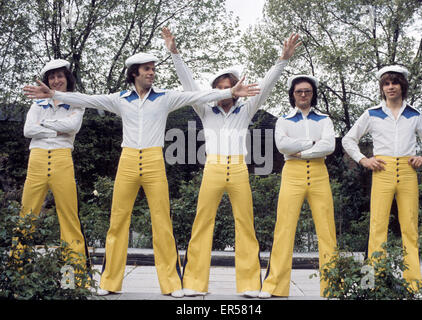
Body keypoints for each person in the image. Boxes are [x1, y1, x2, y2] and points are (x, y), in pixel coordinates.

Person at [23, 52, 260, 298]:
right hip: (126, 160)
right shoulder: (120, 99)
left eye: (152, 68)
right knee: (117, 223)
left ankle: (171, 284)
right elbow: (90, 99)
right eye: (146, 69)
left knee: (162, 223)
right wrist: (54, 96)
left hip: (153, 160)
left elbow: (197, 94)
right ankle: (109, 281)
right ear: (134, 72)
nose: (151, 72)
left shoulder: (165, 98)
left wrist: (229, 93)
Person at [162, 27, 301, 297]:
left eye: (231, 88)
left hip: (238, 168)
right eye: (222, 88)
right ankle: (193, 283)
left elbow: (267, 85)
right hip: (213, 167)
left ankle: (249, 284)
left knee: (245, 224)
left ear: (237, 90)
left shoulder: (245, 109)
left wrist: (282, 59)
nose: (227, 92)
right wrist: (175, 53)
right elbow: (189, 86)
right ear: (215, 90)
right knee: (202, 223)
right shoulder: (204, 109)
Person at [342, 65, 422, 291]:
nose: (390, 87)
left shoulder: (414, 114)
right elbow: (349, 139)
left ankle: (414, 286)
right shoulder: (372, 113)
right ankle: (373, 284)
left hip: (407, 171)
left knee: (410, 228)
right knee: (377, 226)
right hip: (382, 171)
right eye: (386, 83)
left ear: (402, 86)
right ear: (382, 88)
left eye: (394, 83)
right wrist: (364, 160)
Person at [259, 75, 337, 298]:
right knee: (284, 229)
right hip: (292, 173)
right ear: (292, 95)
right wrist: (313, 144)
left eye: (307, 91)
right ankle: (274, 286)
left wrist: (301, 151)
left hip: (319, 172)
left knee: (327, 231)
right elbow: (282, 146)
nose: (303, 95)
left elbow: (329, 145)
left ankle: (332, 287)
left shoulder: (324, 119)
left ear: (313, 94)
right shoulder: (283, 120)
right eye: (299, 91)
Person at [18, 59, 90, 268]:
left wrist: (43, 124)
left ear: (67, 78)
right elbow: (27, 131)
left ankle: (74, 277)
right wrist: (57, 129)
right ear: (47, 81)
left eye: (60, 76)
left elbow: (73, 126)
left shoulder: (76, 102)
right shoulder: (37, 103)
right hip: (37, 159)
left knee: (68, 216)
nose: (56, 80)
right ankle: (18, 272)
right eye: (52, 77)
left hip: (62, 158)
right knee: (27, 215)